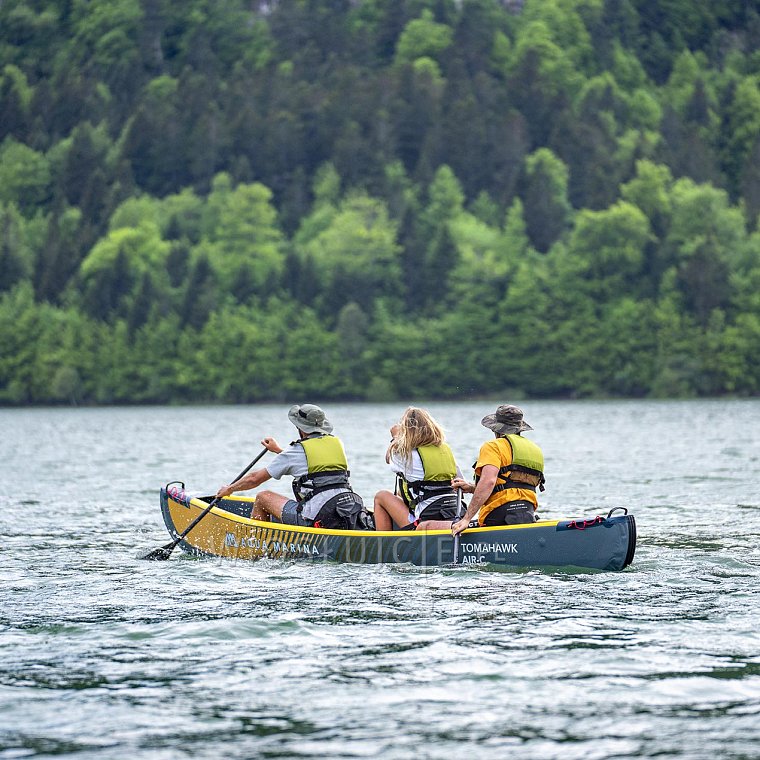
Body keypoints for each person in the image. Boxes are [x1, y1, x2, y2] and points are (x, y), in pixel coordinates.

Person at [215, 403, 367, 530]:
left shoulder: (296, 450)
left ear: (300, 428)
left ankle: (255, 550)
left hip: (317, 517)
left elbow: (255, 479)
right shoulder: (336, 444)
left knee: (263, 497)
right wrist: (280, 452)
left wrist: (229, 489)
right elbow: (313, 468)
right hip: (346, 509)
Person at [451, 404, 545, 536]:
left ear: (497, 429)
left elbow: (489, 482)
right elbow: (512, 486)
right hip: (527, 512)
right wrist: (472, 488)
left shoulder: (493, 446)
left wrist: (466, 519)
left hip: (499, 514)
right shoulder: (535, 449)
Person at [373, 407, 463, 531]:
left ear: (407, 431)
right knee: (402, 493)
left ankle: (383, 544)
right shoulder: (445, 451)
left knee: (381, 496)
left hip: (429, 516)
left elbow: (389, 458)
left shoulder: (408, 455)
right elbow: (460, 481)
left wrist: (395, 437)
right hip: (455, 509)